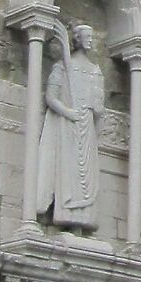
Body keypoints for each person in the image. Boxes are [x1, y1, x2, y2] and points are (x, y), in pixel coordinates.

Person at [38, 21, 105, 231]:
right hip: (68, 126)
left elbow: (99, 106)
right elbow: (51, 97)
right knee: (69, 171)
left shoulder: (95, 71)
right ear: (77, 40)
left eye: (92, 37)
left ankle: (84, 218)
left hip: (88, 127)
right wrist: (68, 112)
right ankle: (66, 213)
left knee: (88, 174)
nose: (91, 40)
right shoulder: (62, 67)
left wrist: (95, 105)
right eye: (87, 36)